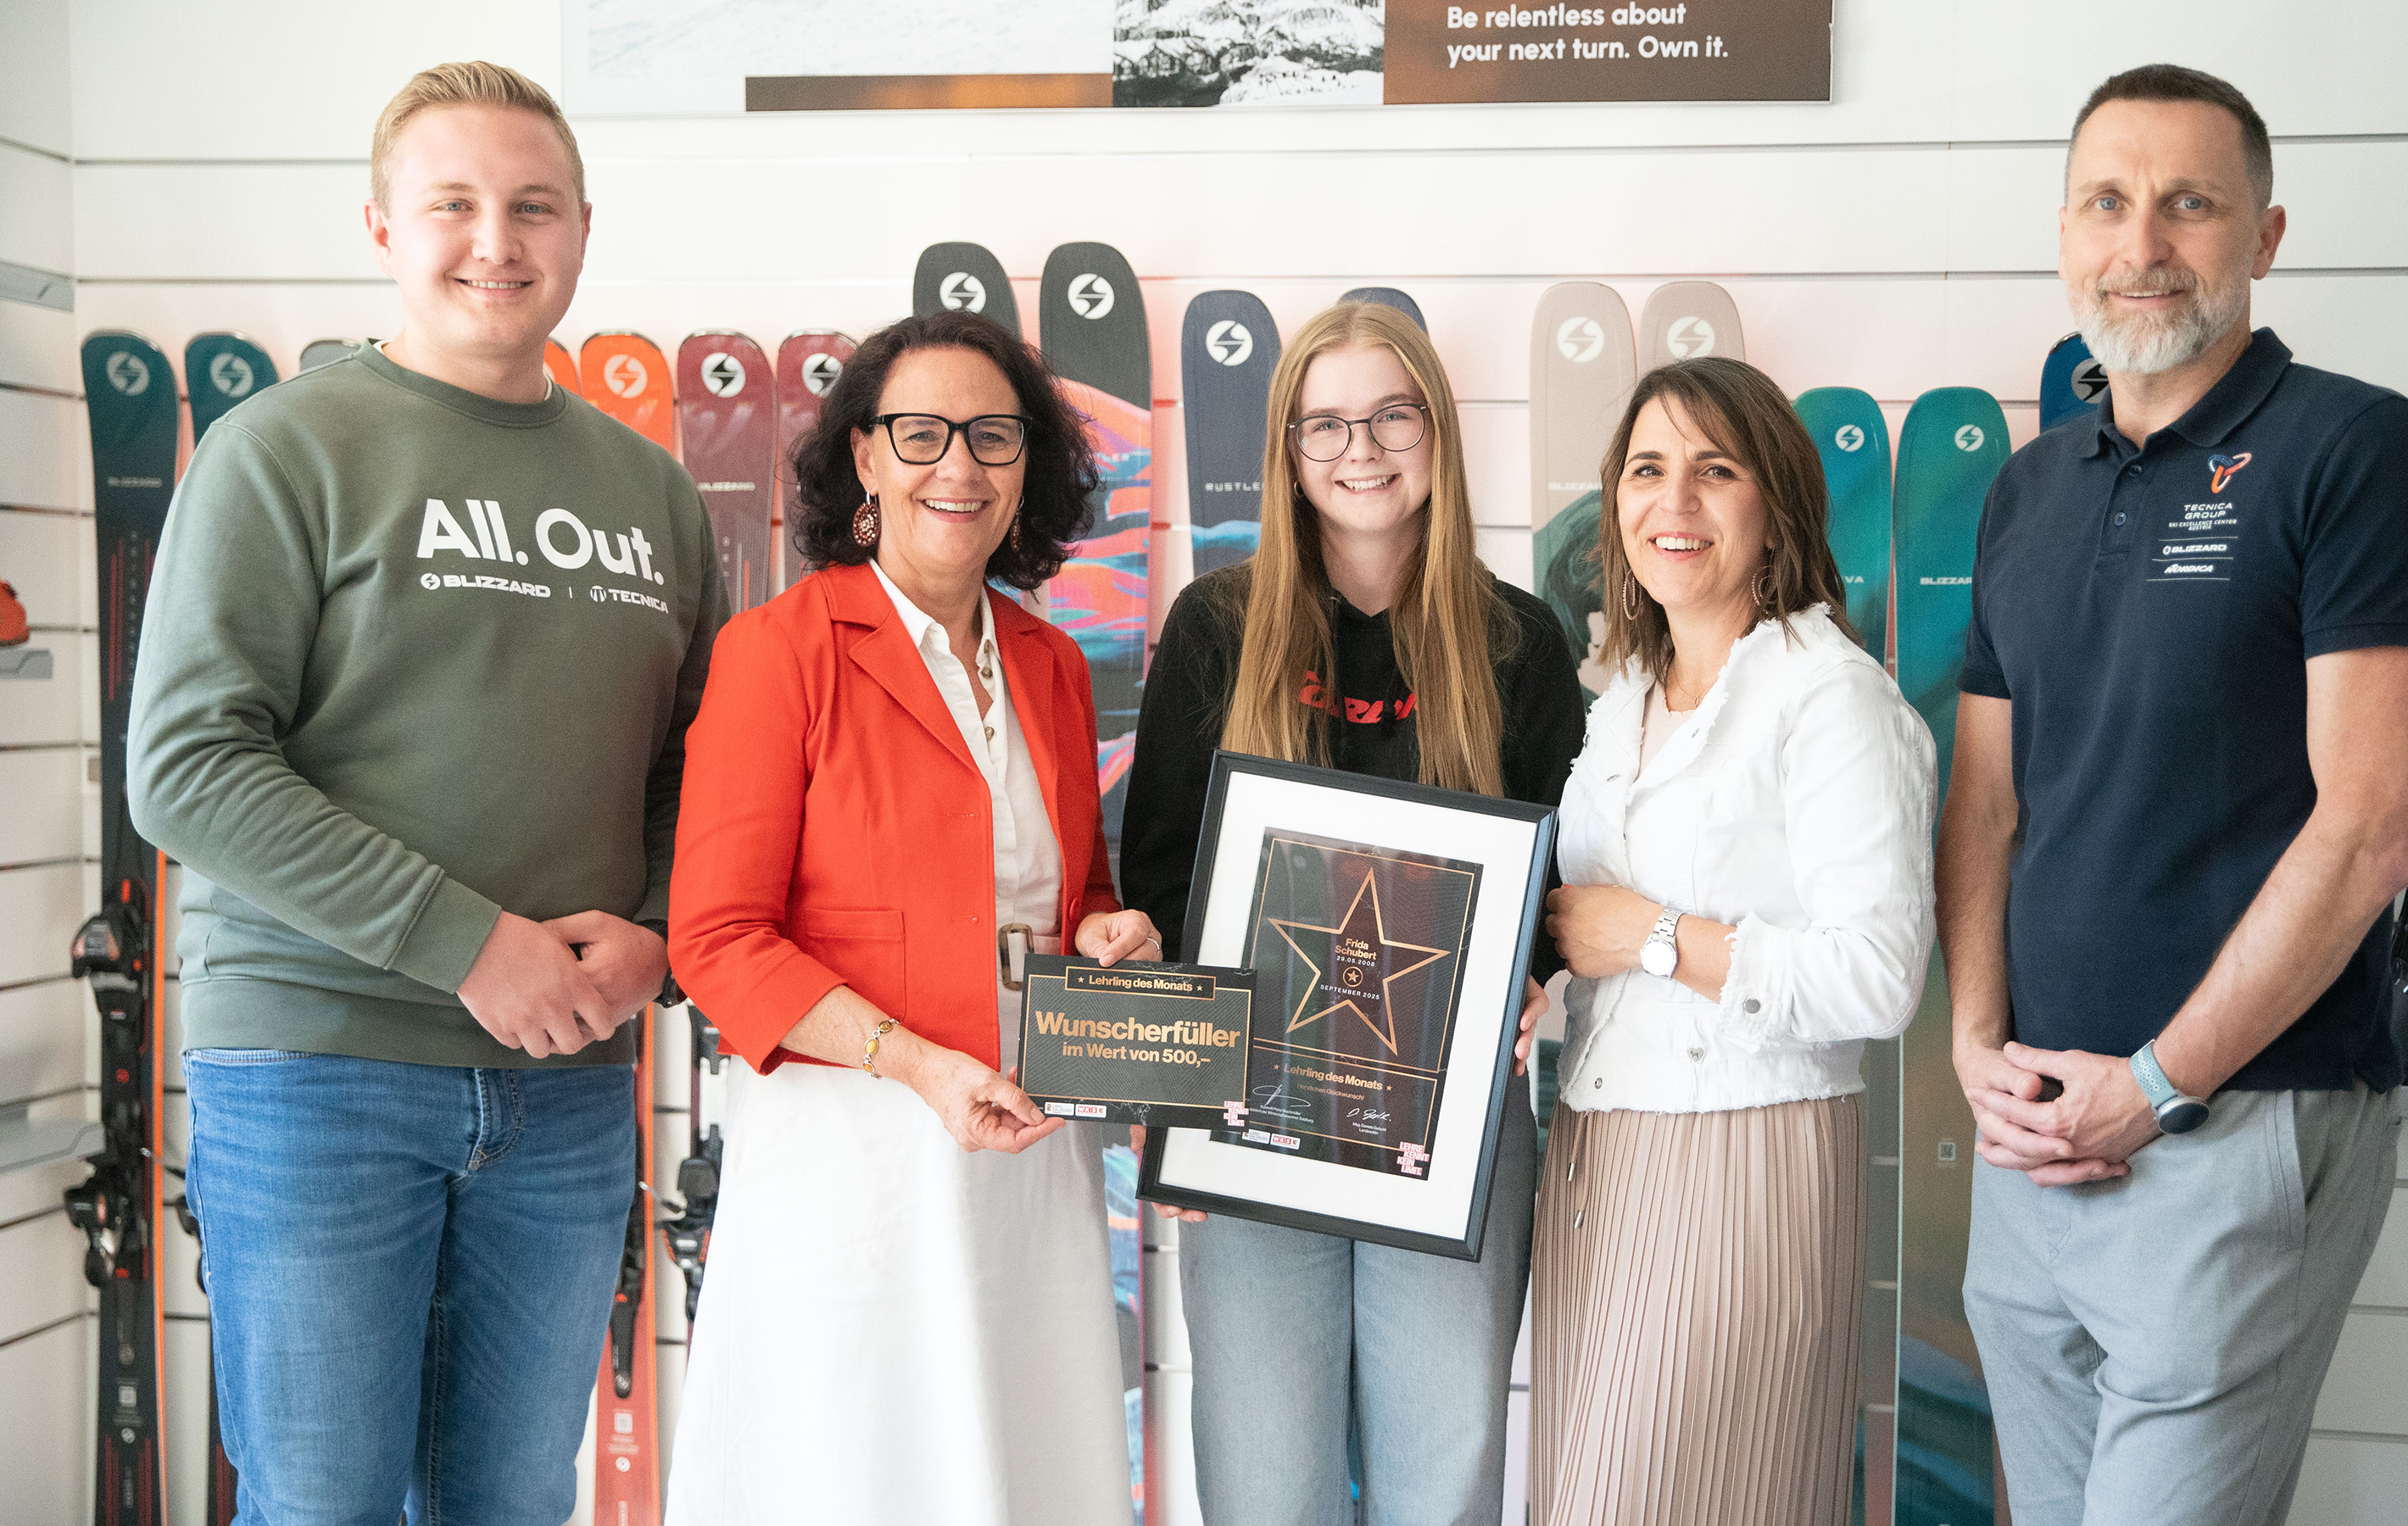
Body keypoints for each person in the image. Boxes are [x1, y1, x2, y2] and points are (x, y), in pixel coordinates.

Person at [125, 61, 723, 1523]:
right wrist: (468, 943)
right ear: (383, 228)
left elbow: (694, 766)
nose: (495, 242)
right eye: (452, 204)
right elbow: (187, 766)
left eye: (534, 207)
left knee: (510, 1502)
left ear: (583, 228)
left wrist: (656, 933)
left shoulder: (651, 491)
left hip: (568, 1082)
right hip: (319, 1068)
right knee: (321, 1502)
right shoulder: (286, 450)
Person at [1944, 64, 2408, 1526]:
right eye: (2107, 203)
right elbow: (1986, 807)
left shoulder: (2353, 450)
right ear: (2065, 233)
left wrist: (2159, 1086)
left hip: (2232, 1125)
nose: (2143, 244)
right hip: (2032, 1137)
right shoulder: (2029, 489)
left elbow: (2374, 830)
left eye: (2190, 204)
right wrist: (1976, 1043)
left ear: (2265, 235)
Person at [662, 309, 1153, 1524]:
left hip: (1027, 1145)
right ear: (866, 458)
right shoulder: (779, 651)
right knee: (859, 1470)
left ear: (1028, 464)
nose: (959, 466)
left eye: (993, 436)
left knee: (1023, 1462)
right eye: (921, 433)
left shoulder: (1050, 663)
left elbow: (1069, 891)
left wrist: (1106, 934)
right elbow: (717, 941)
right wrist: (916, 1064)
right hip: (858, 1155)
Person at [1119, 301, 1586, 1523]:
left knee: (1445, 1472)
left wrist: (1535, 982)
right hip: (1249, 1113)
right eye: (1324, 423)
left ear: (1438, 431)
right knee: (1266, 1481)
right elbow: (1160, 882)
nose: (1360, 449)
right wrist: (1168, 1084)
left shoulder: (1519, 641)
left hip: (1454, 1124)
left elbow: (1553, 886)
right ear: (1287, 449)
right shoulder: (1217, 628)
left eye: (1391, 415)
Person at [1530, 356, 1932, 1526]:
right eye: (1646, 470)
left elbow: (1879, 978)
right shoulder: (1625, 700)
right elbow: (1578, 929)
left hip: (1747, 1154)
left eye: (1715, 471)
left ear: (1777, 505)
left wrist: (1653, 938)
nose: (1674, 502)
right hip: (1599, 1151)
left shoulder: (1831, 697)